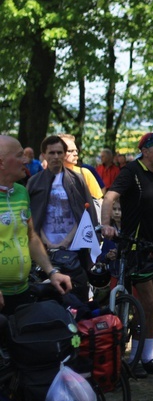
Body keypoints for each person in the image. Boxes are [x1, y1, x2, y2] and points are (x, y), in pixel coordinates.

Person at [100, 131, 153, 377]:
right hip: (135, 246)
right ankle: (133, 357)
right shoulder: (131, 172)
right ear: (145, 151)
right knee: (149, 302)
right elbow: (109, 197)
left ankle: (147, 357)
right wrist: (106, 224)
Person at [0, 136, 72, 315]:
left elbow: (31, 237)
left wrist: (51, 271)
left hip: (22, 293)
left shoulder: (21, 192)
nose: (25, 160)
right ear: (1, 163)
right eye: (19, 155)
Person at [27, 135, 100, 304]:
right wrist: (45, 240)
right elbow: (31, 217)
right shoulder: (34, 182)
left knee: (77, 295)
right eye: (51, 152)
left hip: (74, 247)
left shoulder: (77, 179)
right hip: (44, 249)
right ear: (44, 155)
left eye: (59, 152)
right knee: (47, 296)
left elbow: (84, 214)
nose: (55, 156)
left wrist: (67, 240)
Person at [59, 134, 104, 220]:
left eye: (76, 150)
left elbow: (99, 201)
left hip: (83, 226)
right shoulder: (49, 176)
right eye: (70, 151)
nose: (75, 154)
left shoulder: (84, 173)